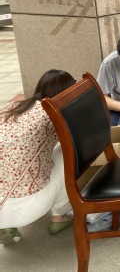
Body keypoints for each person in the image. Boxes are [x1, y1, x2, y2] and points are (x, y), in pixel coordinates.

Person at [0, 70, 77, 243]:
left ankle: (6, 226)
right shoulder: (52, 116)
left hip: (3, 197)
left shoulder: (13, 107)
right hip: (27, 207)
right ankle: (59, 216)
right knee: (67, 152)